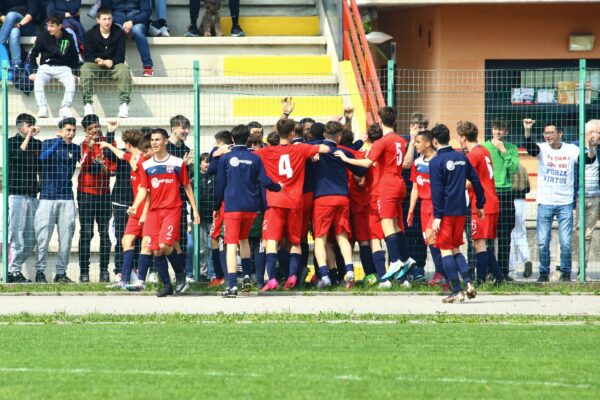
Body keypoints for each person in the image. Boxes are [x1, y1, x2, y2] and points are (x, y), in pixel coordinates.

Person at [335, 107, 416, 282]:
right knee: (396, 225)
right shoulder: (401, 140)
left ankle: (395, 261)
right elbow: (406, 163)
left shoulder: (382, 142)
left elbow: (367, 162)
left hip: (386, 186)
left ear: (380, 121)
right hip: (399, 182)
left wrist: (345, 159)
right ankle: (406, 258)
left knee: (386, 226)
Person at [255, 118, 329, 291]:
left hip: (275, 201)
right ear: (293, 134)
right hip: (295, 202)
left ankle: (272, 279)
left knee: (272, 241)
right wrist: (316, 149)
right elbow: (325, 148)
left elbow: (252, 154)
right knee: (295, 242)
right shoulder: (301, 149)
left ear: (277, 133)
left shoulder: (267, 152)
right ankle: (293, 276)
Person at [127, 129, 200, 297]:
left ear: (166, 141)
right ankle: (167, 285)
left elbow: (187, 186)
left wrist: (195, 209)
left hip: (172, 210)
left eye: (158, 139)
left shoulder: (177, 163)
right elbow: (143, 190)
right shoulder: (146, 165)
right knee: (156, 250)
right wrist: (135, 205)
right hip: (154, 211)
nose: (154, 142)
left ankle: (180, 274)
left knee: (164, 245)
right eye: (152, 140)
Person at [215, 125, 282, 298]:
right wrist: (277, 186)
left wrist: (216, 207)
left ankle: (232, 285)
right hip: (251, 207)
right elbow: (264, 180)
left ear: (232, 138)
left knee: (231, 244)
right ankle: (246, 276)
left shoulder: (226, 158)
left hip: (233, 206)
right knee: (244, 239)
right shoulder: (255, 158)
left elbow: (220, 184)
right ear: (247, 139)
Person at [522, 119, 590, 282]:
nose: (548, 136)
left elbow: (587, 160)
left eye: (551, 133)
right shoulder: (542, 149)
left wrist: (591, 147)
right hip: (545, 202)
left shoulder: (571, 150)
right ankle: (544, 273)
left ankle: (566, 273)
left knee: (566, 241)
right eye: (545, 133)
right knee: (543, 241)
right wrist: (527, 131)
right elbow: (530, 147)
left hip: (565, 203)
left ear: (560, 133)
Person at [429, 123, 485, 303]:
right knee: (456, 249)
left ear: (434, 141)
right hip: (461, 209)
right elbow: (476, 179)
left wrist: (437, 215)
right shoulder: (461, 156)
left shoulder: (436, 161)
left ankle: (456, 291)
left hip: (445, 212)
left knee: (446, 251)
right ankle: (468, 282)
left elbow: (437, 191)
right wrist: (480, 203)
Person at [314, 121, 366, 289]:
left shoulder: (316, 149)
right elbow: (361, 171)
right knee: (342, 236)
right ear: (339, 137)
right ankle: (349, 271)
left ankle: (324, 276)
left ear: (324, 135)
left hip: (323, 198)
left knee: (320, 239)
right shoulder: (342, 152)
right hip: (342, 197)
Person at [100, 129, 152, 288]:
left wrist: (142, 211)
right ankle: (123, 280)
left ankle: (141, 280)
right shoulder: (133, 158)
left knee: (148, 244)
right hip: (136, 210)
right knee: (126, 240)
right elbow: (120, 155)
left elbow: (148, 191)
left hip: (147, 210)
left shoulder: (144, 162)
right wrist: (108, 145)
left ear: (128, 144)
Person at [457, 120, 504, 286]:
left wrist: (452, 187)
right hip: (492, 201)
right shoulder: (484, 150)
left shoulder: (472, 155)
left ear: (463, 138)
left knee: (478, 243)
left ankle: (481, 280)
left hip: (481, 203)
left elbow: (468, 181)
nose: (459, 141)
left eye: (459, 137)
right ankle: (499, 277)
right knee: (485, 244)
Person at [34, 117, 81, 283]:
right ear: (60, 130)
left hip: (67, 198)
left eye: (74, 130)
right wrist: (59, 142)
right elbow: (42, 158)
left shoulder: (76, 148)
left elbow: (88, 164)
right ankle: (40, 272)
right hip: (47, 197)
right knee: (43, 237)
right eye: (68, 130)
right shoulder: (47, 143)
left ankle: (61, 273)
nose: (71, 133)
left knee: (66, 237)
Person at [77, 115, 116, 283]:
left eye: (96, 126)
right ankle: (84, 272)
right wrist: (92, 150)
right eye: (91, 128)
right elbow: (84, 165)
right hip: (86, 193)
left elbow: (113, 167)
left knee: (105, 233)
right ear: (85, 131)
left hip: (104, 194)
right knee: (86, 233)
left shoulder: (109, 142)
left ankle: (104, 271)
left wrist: (103, 165)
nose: (95, 130)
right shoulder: (83, 145)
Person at [482, 119, 520, 281]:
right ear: (492, 130)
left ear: (506, 132)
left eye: (502, 129)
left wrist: (503, 150)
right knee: (488, 234)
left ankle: (503, 272)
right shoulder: (483, 147)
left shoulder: (511, 148)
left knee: (505, 235)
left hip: (505, 193)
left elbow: (514, 168)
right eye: (496, 129)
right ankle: (489, 271)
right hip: (489, 193)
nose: (498, 132)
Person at [406, 130, 444, 288]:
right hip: (424, 206)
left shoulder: (439, 160)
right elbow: (415, 187)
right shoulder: (417, 163)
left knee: (435, 238)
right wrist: (410, 210)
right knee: (429, 240)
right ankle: (442, 273)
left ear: (427, 143)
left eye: (417, 142)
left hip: (437, 204)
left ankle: (442, 272)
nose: (415, 145)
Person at [7, 113, 42, 283]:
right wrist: (28, 137)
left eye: (33, 125)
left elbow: (41, 169)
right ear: (20, 127)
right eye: (29, 125)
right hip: (16, 195)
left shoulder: (38, 145)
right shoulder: (10, 143)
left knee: (31, 236)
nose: (32, 128)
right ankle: (13, 272)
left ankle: (12, 269)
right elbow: (18, 157)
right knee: (16, 234)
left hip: (32, 195)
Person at [81, 7, 132, 118]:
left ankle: (124, 104)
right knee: (85, 68)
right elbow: (88, 55)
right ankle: (88, 104)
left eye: (109, 19)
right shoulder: (90, 34)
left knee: (124, 69)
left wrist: (111, 61)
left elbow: (120, 55)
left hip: (113, 66)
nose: (107, 22)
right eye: (104, 19)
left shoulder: (118, 33)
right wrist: (99, 60)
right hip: (97, 65)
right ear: (98, 20)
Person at [27, 12, 78, 119]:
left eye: (52, 26)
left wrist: (75, 73)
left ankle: (65, 108)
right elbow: (32, 54)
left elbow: (74, 57)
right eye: (47, 25)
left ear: (60, 26)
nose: (49, 28)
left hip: (64, 68)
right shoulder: (42, 36)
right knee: (38, 80)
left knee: (71, 82)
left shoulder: (68, 37)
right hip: (46, 67)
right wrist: (33, 71)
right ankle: (42, 107)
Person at [573, 119, 600, 281]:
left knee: (588, 235)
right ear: (591, 133)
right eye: (599, 133)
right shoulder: (573, 148)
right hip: (576, 197)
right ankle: (561, 268)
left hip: (595, 197)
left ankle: (582, 270)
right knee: (572, 233)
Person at [101, 0, 154, 76]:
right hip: (117, 22)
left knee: (138, 31)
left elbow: (146, 11)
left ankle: (148, 67)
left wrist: (132, 21)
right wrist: (123, 23)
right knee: (117, 31)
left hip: (137, 22)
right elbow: (105, 11)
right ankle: (115, 66)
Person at [192, 152, 215, 282]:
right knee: (201, 248)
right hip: (199, 217)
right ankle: (201, 273)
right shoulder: (195, 178)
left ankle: (213, 274)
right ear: (200, 163)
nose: (207, 164)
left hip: (212, 216)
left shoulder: (215, 176)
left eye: (209, 161)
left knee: (213, 246)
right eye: (205, 161)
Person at [0, 0, 43, 69]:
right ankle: (16, 65)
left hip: (27, 25)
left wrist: (19, 24)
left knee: (11, 15)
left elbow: (31, 13)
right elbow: (0, 14)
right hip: (12, 25)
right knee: (14, 32)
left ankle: (0, 43)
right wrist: (10, 23)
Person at [509, 162, 532, 278]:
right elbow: (528, 189)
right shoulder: (522, 168)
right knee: (521, 233)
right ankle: (527, 259)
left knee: (510, 236)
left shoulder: (507, 168)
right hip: (522, 202)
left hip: (510, 201)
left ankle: (511, 269)